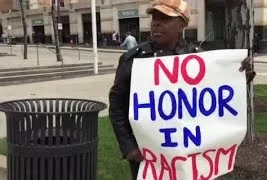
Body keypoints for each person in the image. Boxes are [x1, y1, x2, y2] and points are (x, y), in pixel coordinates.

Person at [108, 0, 256, 179]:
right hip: (147, 156)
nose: (156, 22)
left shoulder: (199, 59)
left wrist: (239, 77)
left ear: (181, 24)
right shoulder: (133, 60)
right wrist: (128, 146)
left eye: (165, 18)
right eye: (154, 17)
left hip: (188, 154)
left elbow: (217, 97)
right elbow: (117, 108)